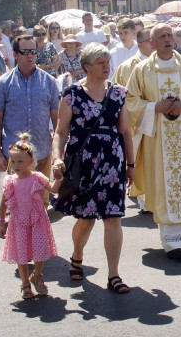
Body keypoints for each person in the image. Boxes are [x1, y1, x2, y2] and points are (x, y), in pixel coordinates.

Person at [52, 43, 136, 293]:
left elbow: (125, 132)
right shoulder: (72, 94)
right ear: (86, 66)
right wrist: (57, 158)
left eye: (107, 61)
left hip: (112, 163)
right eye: (100, 62)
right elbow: (60, 132)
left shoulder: (119, 93)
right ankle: (77, 255)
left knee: (113, 217)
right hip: (84, 163)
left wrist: (131, 165)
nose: (106, 66)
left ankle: (114, 275)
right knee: (86, 219)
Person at [125, 24, 181, 257]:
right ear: (151, 42)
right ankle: (171, 242)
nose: (168, 39)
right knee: (164, 186)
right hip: (158, 140)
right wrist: (153, 107)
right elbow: (130, 102)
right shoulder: (142, 70)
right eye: (162, 36)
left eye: (170, 35)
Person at [0, 134, 61, 300]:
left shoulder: (37, 178)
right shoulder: (10, 181)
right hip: (18, 223)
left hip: (37, 221)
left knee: (41, 250)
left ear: (30, 162)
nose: (16, 165)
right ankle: (25, 283)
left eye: (20, 161)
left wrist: (59, 178)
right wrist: (1, 222)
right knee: (21, 254)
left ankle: (37, 275)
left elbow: (53, 189)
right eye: (13, 161)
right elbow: (3, 203)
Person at [0, 35, 62, 180]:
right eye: (25, 52)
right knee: (17, 200)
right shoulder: (3, 83)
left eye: (33, 51)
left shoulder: (50, 82)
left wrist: (58, 153)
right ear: (15, 55)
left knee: (42, 201)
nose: (30, 55)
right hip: (15, 155)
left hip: (42, 152)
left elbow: (57, 120)